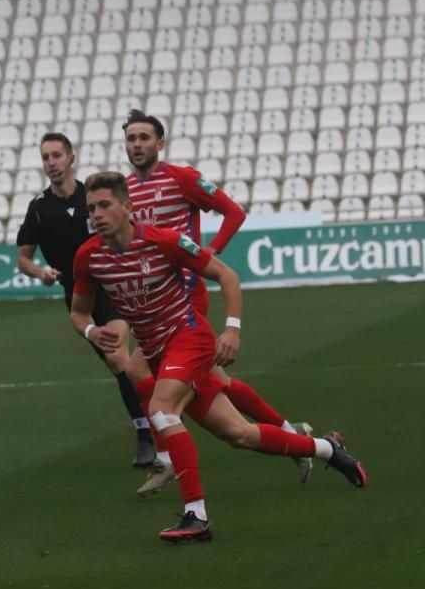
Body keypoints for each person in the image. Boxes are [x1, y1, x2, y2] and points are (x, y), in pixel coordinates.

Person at [70, 172, 367, 543]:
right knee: (238, 434)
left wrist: (231, 329)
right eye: (91, 208)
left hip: (189, 339)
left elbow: (226, 275)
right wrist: (90, 331)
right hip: (158, 350)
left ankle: (196, 516)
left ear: (127, 208)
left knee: (162, 410)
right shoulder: (88, 256)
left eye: (104, 205)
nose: (96, 214)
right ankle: (327, 449)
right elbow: (78, 311)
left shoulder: (163, 241)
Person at [120, 110, 312, 493]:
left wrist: (207, 255)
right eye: (131, 138)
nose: (137, 144)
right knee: (215, 383)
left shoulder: (182, 178)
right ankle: (294, 435)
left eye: (144, 137)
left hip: (186, 296)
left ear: (160, 144)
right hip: (157, 299)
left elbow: (233, 212)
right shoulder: (125, 191)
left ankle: (166, 459)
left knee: (139, 372)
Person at [16, 133, 155, 468]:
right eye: (46, 157)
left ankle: (148, 435)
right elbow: (23, 258)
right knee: (118, 364)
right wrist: (41, 273)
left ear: (70, 158)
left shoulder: (91, 197)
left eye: (56, 156)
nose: (51, 162)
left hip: (112, 287)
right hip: (78, 295)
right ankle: (151, 422)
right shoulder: (38, 209)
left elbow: (127, 228)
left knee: (119, 357)